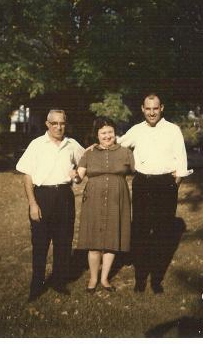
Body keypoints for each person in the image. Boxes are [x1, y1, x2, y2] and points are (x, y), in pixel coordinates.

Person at [117, 94, 192, 294]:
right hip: (143, 184)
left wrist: (173, 185)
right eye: (148, 109)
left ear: (161, 108)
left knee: (163, 234)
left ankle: (156, 279)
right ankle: (140, 279)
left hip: (165, 184)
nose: (152, 112)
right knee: (141, 232)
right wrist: (96, 145)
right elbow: (118, 144)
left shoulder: (173, 130)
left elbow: (182, 162)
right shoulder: (137, 130)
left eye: (155, 108)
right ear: (142, 109)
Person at [16, 109, 84, 302]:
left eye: (61, 123)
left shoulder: (72, 145)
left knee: (63, 242)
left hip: (64, 196)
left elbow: (84, 164)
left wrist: (77, 176)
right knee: (40, 244)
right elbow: (27, 175)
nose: (58, 127)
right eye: (54, 123)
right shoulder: (36, 145)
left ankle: (59, 281)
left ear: (65, 123)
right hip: (42, 196)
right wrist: (32, 204)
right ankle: (36, 285)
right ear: (47, 124)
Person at [71, 117, 135, 293]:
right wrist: (74, 176)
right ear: (97, 135)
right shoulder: (89, 153)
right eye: (103, 133)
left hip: (118, 199)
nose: (107, 136)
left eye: (110, 132)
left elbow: (141, 169)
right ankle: (93, 278)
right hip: (93, 200)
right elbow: (79, 177)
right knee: (93, 241)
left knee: (111, 240)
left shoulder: (126, 152)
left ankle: (105, 278)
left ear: (115, 133)